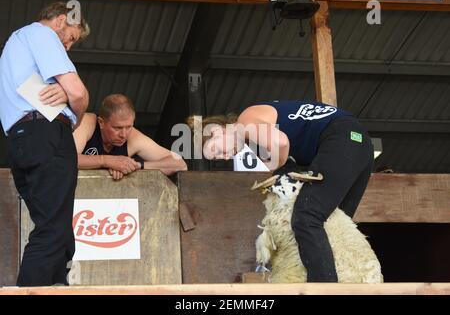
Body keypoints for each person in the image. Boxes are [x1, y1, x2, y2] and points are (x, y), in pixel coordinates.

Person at [188, 100, 373, 282]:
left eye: (216, 149)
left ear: (216, 130)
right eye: (219, 158)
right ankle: (347, 282)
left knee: (307, 216)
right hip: (358, 143)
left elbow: (281, 143)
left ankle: (324, 289)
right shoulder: (255, 142)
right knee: (335, 224)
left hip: (342, 137)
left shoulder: (245, 121)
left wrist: (276, 167)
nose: (225, 156)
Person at [0, 2, 90, 286]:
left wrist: (65, 94)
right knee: (53, 229)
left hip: (21, 139)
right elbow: (78, 93)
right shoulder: (42, 34)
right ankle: (31, 292)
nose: (69, 47)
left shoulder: (14, 45)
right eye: (72, 37)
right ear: (62, 20)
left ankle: (57, 288)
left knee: (58, 228)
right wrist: (74, 113)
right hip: (46, 133)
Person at [73, 93, 187, 179]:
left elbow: (179, 164)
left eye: (128, 127)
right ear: (101, 122)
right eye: (117, 128)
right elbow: (66, 158)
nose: (123, 135)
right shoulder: (87, 123)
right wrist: (106, 161)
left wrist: (134, 166)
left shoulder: (133, 137)